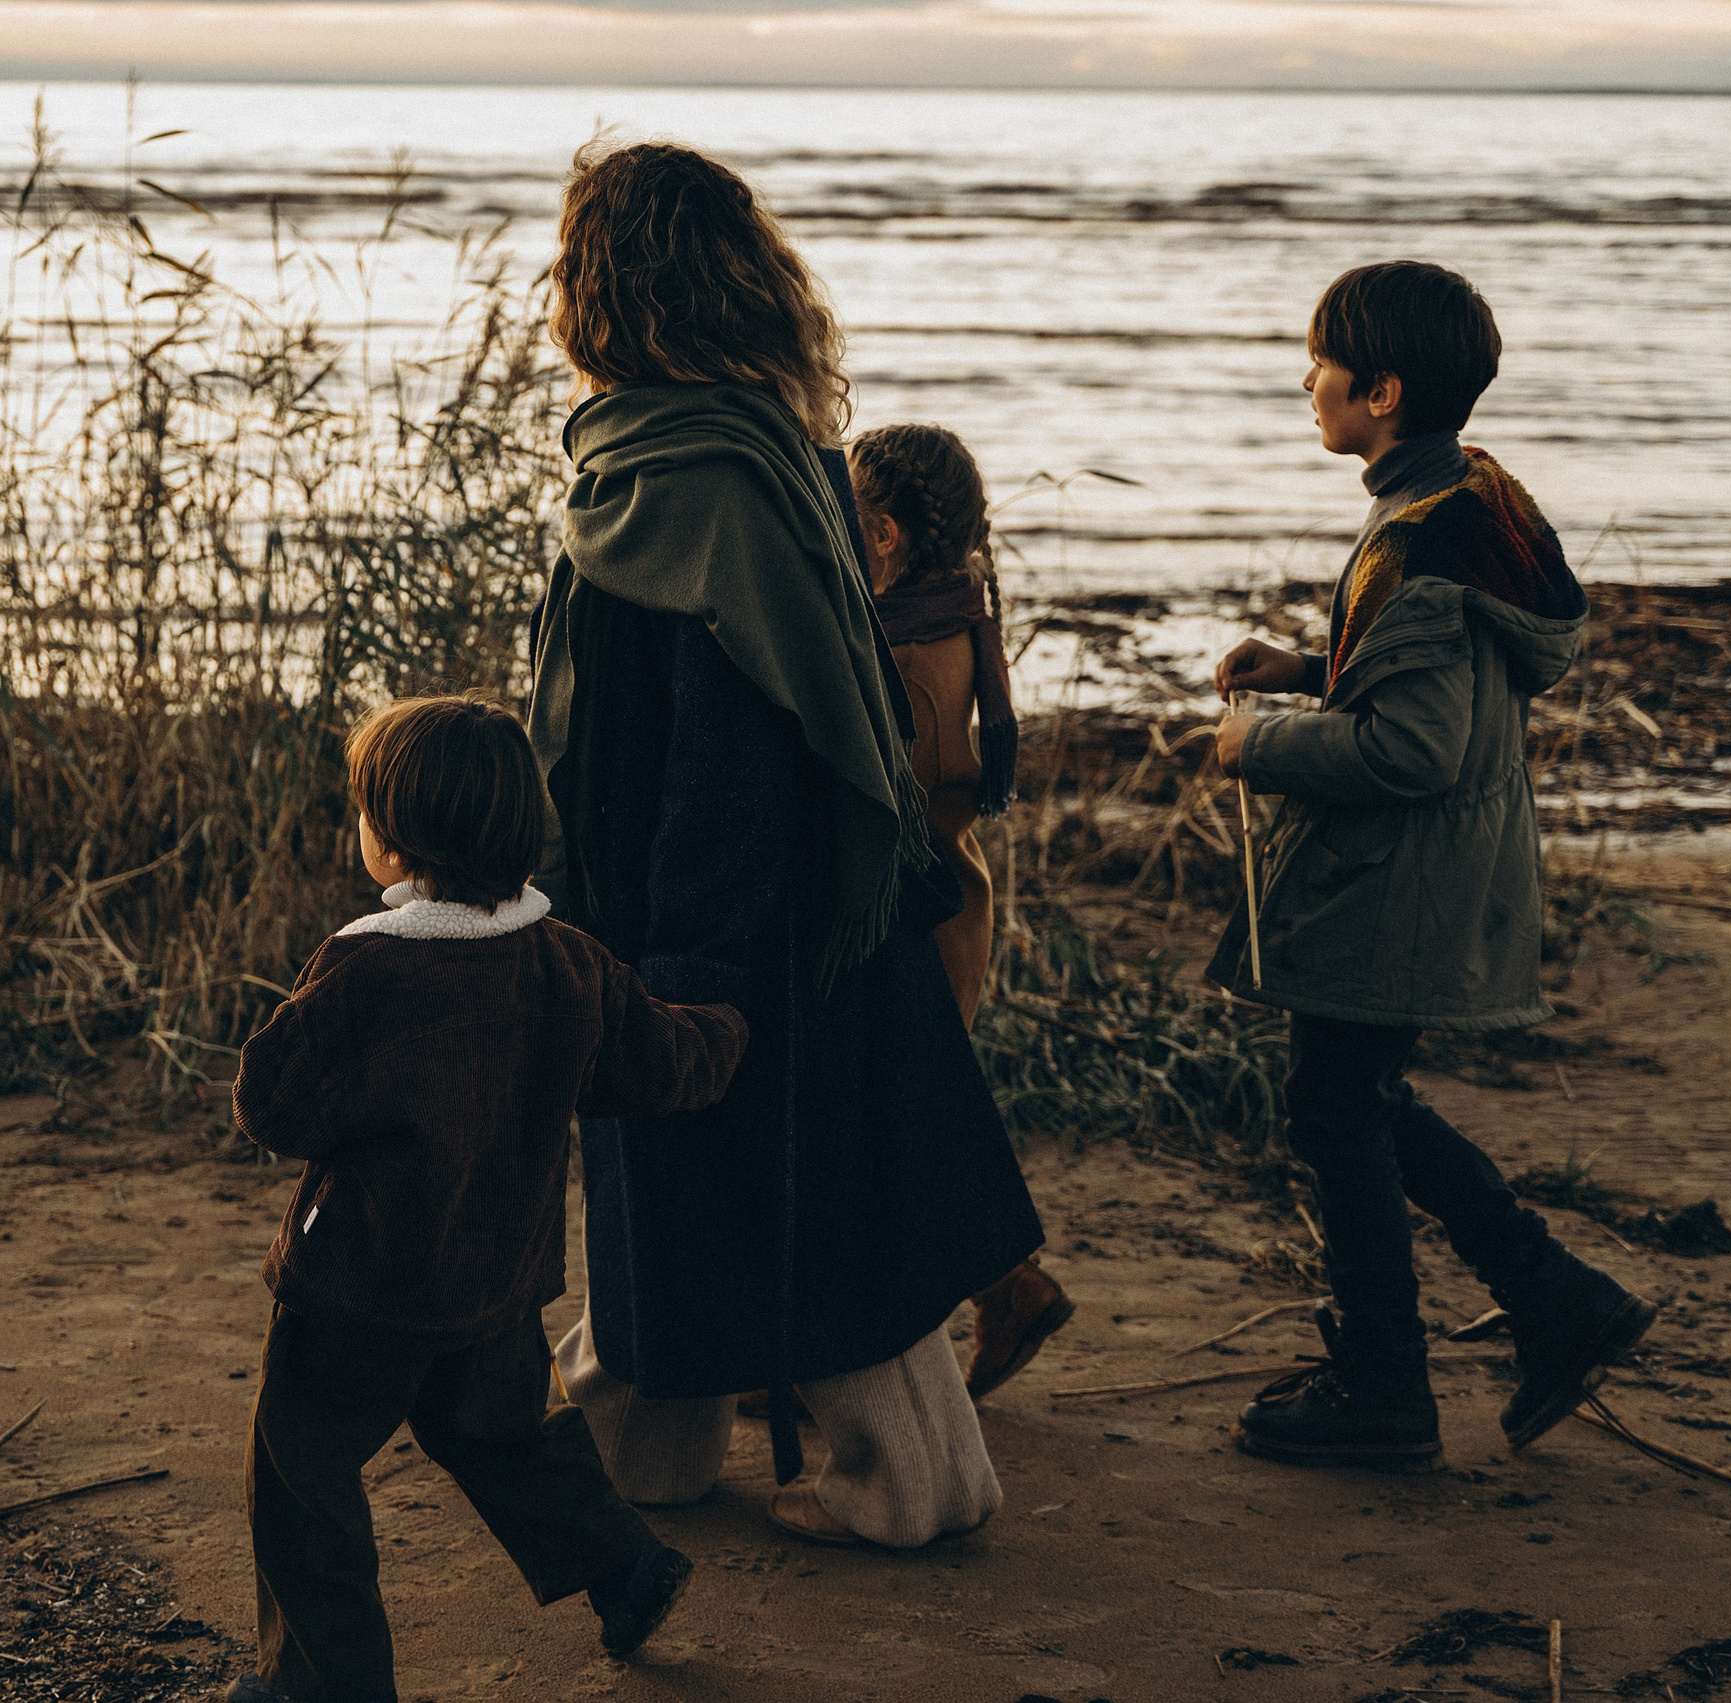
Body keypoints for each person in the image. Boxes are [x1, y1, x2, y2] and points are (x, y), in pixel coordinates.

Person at [529, 140, 1046, 1550]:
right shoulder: (757, 446)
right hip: (790, 897)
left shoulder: (697, 474)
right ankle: (649, 1432)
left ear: (609, 288)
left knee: (784, 1191)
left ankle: (910, 1480)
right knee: (723, 1184)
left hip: (724, 902)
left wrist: (686, 952)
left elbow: (726, 730)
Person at [1208, 260, 1655, 1473]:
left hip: (1395, 875)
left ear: (1384, 391)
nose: (1309, 383)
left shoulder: (1417, 543)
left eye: (1324, 365)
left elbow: (1411, 746)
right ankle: (1553, 1300)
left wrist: (1263, 743)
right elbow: (1430, 678)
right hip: (1433, 865)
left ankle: (1386, 1386)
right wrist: (1310, 666)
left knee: (1333, 1106)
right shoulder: (1470, 496)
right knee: (1357, 1099)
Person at [224, 695, 751, 1703]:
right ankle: (626, 1567)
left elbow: (271, 1103)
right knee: (506, 1433)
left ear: (394, 843)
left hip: (360, 1292)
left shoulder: (368, 967)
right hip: (497, 1283)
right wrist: (738, 1024)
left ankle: (320, 1683)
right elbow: (665, 1057)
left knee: (302, 1472)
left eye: (365, 810)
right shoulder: (567, 960)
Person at [849, 422, 1074, 1398]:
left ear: (885, 534)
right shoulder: (947, 615)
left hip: (917, 911)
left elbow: (896, 790)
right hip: (945, 898)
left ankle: (860, 1354)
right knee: (912, 1116)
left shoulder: (897, 653)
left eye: (841, 511)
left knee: (891, 1123)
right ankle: (1006, 1285)